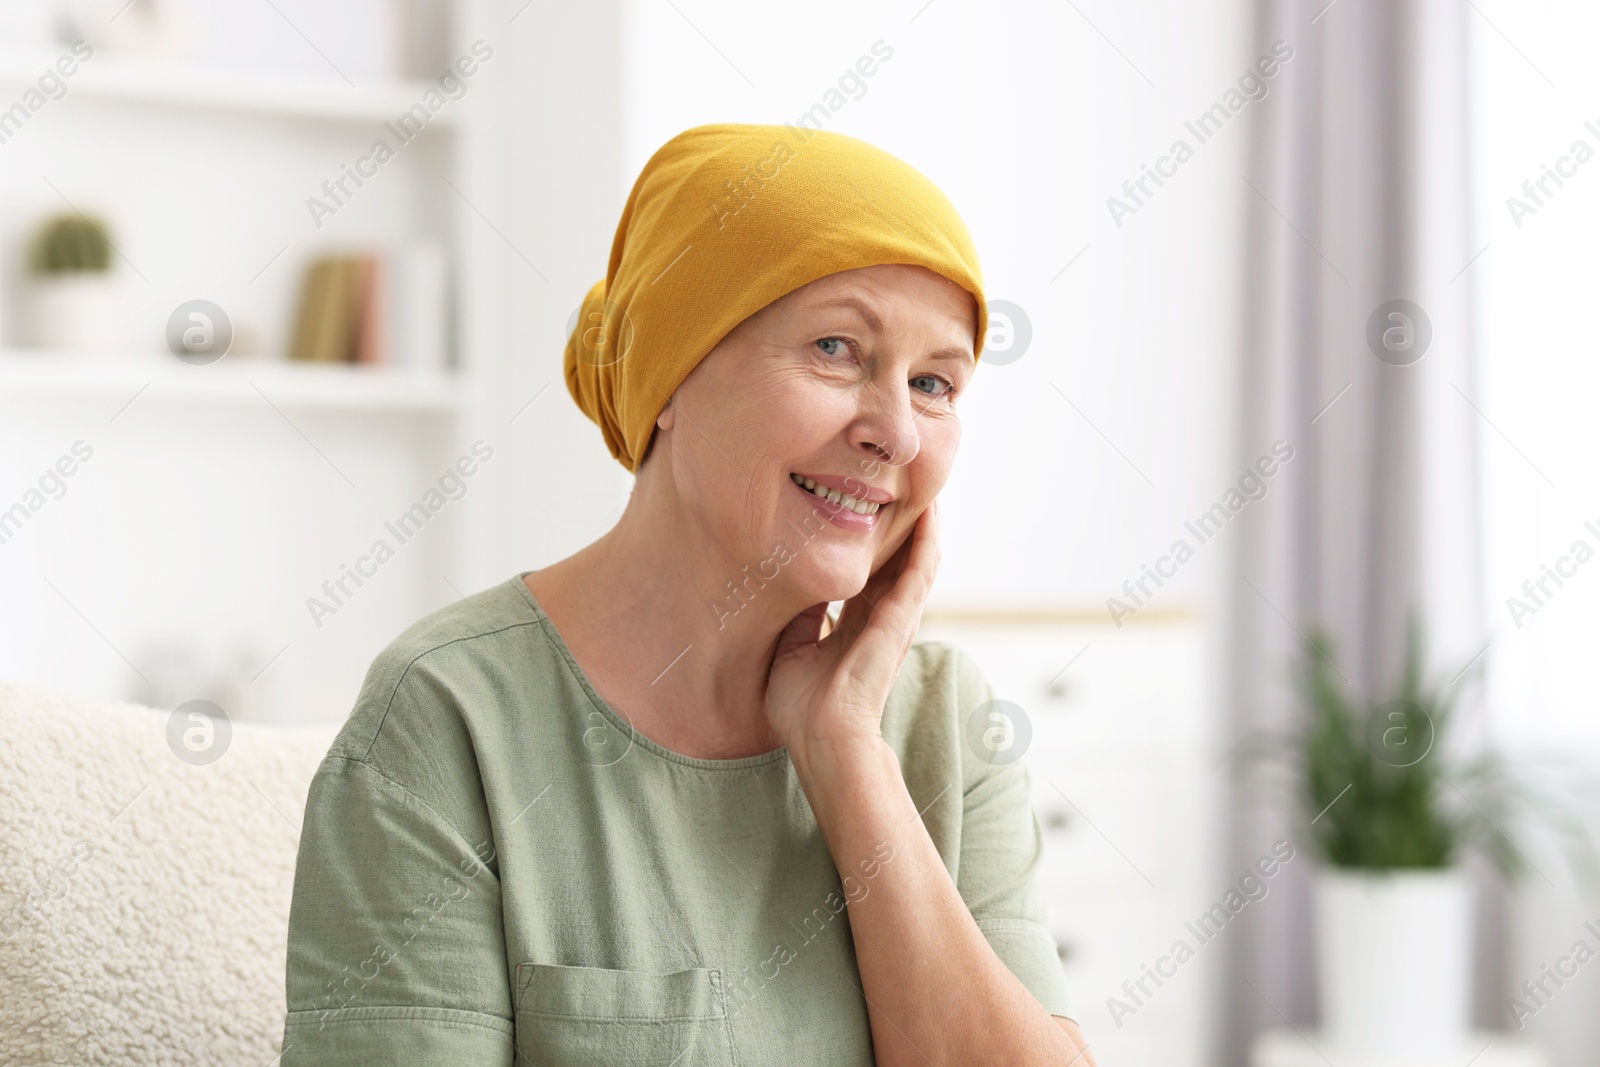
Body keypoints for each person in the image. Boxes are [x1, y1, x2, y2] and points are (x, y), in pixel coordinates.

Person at [280, 122, 1095, 1066]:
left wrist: (843, 751)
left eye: (934, 384)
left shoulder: (944, 721)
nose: (897, 434)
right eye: (838, 348)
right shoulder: (447, 715)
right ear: (672, 370)